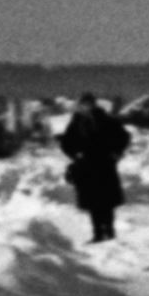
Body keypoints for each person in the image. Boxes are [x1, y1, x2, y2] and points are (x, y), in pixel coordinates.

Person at [58, 97, 131, 244]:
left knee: (106, 201)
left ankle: (109, 232)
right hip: (86, 166)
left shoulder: (107, 120)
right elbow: (66, 142)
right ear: (80, 106)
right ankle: (98, 233)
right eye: (83, 105)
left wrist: (116, 152)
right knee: (92, 202)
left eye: (89, 105)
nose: (86, 108)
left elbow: (124, 137)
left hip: (105, 165)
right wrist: (75, 154)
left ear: (94, 105)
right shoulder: (76, 122)